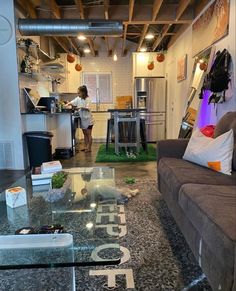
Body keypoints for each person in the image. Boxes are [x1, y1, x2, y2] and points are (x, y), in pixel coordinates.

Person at [65, 85, 94, 152]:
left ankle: (89, 148)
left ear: (83, 92)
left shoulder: (88, 100)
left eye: (79, 93)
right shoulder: (78, 98)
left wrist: (80, 108)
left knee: (88, 134)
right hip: (83, 120)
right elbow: (72, 102)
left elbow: (88, 109)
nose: (78, 94)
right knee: (85, 134)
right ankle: (86, 147)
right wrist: (67, 105)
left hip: (89, 120)